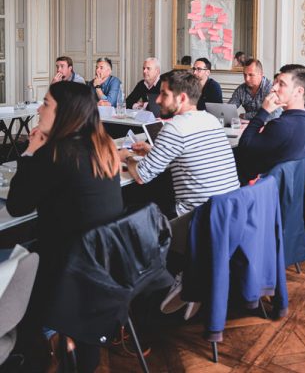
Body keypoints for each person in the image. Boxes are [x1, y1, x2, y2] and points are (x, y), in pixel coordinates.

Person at [6, 82, 123, 373]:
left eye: (46, 104)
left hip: (65, 269)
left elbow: (17, 206)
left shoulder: (56, 154)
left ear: (64, 113)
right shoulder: (102, 147)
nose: (39, 108)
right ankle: (61, 339)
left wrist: (30, 151)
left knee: (16, 257)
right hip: (104, 267)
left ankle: (44, 339)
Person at [120, 70, 239, 217]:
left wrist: (126, 157)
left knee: (132, 206)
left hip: (196, 216)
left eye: (164, 94)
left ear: (182, 98)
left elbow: (140, 176)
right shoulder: (211, 119)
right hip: (228, 210)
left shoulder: (174, 127)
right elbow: (191, 154)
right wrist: (153, 151)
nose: (157, 100)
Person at [236, 68, 305, 183]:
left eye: (281, 84)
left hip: (252, 186)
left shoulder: (282, 125)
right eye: (275, 82)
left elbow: (244, 145)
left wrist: (263, 111)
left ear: (299, 92)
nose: (274, 88)